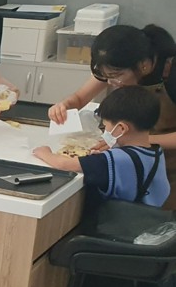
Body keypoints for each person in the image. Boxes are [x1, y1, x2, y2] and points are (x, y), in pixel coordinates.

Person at [34, 86, 169, 287]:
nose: (105, 132)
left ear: (121, 128)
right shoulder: (155, 153)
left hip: (116, 243)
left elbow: (65, 163)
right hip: (146, 241)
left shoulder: (117, 160)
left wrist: (44, 153)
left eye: (106, 127)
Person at [48, 24, 176, 209]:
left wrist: (137, 140)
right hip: (129, 158)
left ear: (143, 65)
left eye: (116, 76)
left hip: (167, 165)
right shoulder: (116, 64)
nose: (111, 82)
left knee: (157, 218)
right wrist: (64, 105)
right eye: (106, 76)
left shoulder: (171, 75)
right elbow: (79, 98)